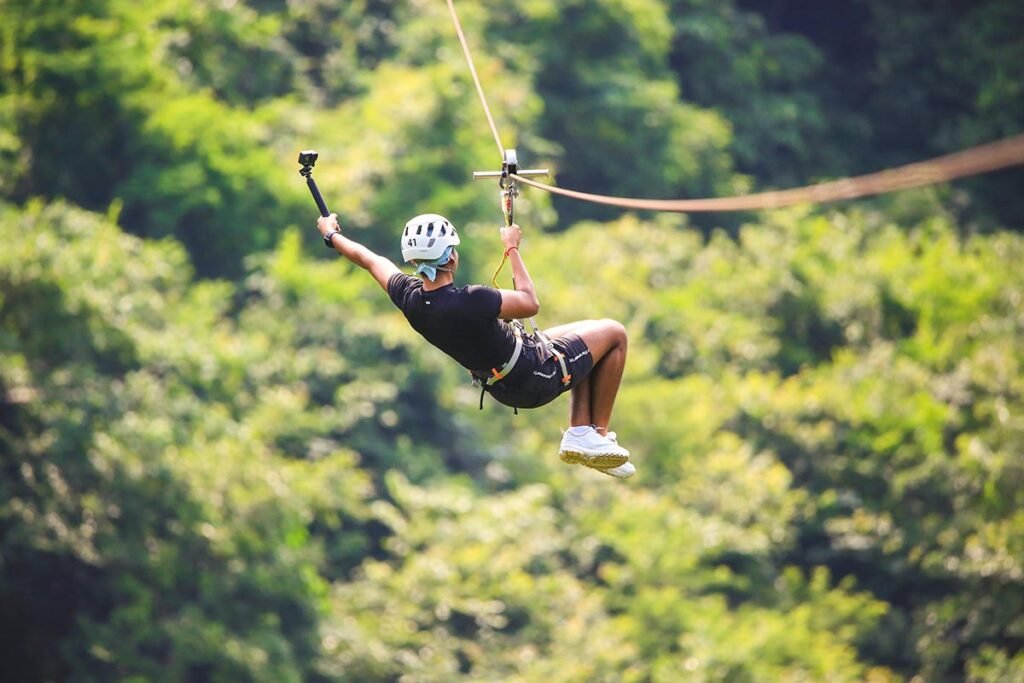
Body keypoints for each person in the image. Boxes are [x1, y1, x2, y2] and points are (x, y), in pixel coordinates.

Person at [317, 212, 634, 478]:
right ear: (451, 257)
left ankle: (582, 433)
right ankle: (596, 434)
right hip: (535, 374)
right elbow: (529, 303)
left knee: (586, 336)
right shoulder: (471, 300)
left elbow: (371, 260)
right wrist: (512, 249)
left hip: (504, 383)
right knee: (614, 334)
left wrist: (331, 236)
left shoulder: (410, 299)